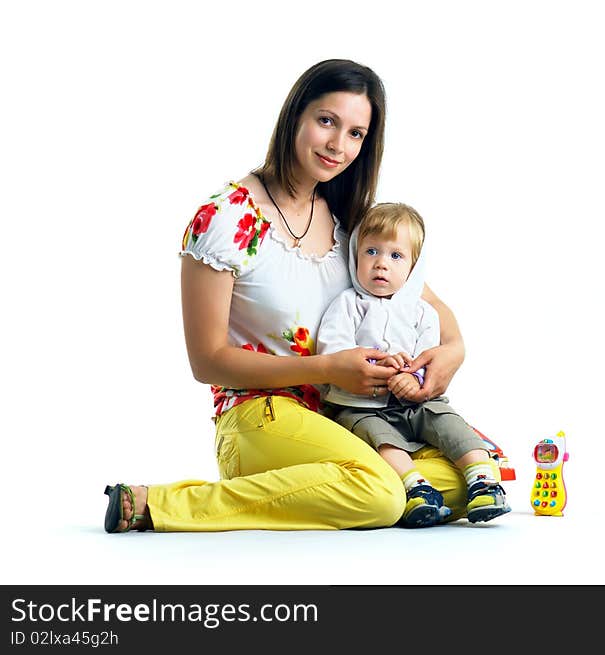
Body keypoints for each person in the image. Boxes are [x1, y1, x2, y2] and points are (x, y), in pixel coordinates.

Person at [103, 58, 484, 533]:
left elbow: (425, 302)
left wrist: (454, 352)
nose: (338, 146)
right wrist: (326, 368)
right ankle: (159, 504)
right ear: (294, 116)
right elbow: (207, 362)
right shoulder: (225, 219)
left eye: (355, 134)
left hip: (351, 418)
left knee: (479, 474)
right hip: (259, 415)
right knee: (384, 495)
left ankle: (324, 487)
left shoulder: (353, 222)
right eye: (327, 121)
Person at [317, 203, 511, 527]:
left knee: (449, 422)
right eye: (371, 251)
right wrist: (376, 360)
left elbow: (427, 353)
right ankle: (417, 489)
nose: (381, 264)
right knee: (378, 437)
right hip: (362, 405)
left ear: (413, 267)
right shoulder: (348, 304)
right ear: (354, 256)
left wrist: (414, 377)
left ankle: (483, 481)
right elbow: (334, 349)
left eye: (396, 256)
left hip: (416, 401)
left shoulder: (421, 311)